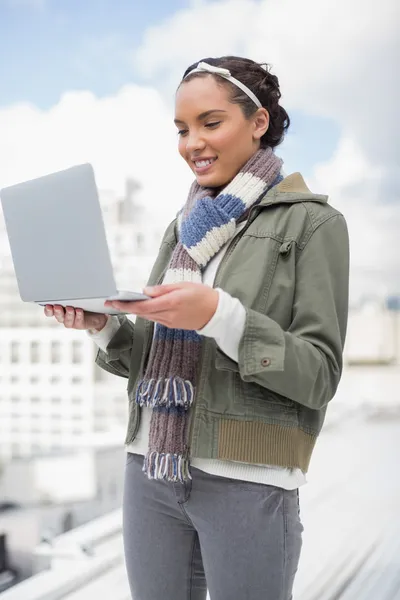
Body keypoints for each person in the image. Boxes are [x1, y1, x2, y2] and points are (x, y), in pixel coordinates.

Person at [44, 56, 350, 600]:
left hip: (248, 479)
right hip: (150, 469)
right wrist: (104, 327)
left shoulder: (313, 223)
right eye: (182, 129)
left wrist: (219, 316)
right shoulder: (182, 228)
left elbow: (319, 374)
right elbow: (157, 354)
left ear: (258, 122)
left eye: (210, 123)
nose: (192, 143)